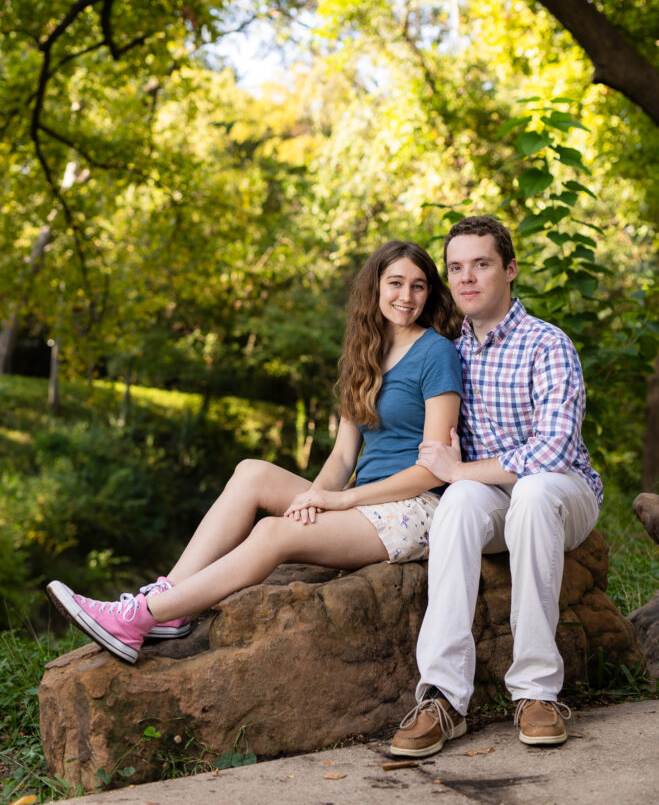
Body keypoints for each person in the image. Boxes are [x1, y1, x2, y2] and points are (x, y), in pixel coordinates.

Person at [47, 240, 463, 665]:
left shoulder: (436, 353)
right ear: (374, 287)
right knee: (251, 472)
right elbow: (342, 456)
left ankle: (138, 618)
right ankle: (169, 603)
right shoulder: (365, 353)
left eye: (418, 286)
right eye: (395, 283)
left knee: (271, 532)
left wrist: (340, 500)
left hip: (414, 509)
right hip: (364, 504)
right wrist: (312, 499)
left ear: (429, 292)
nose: (406, 297)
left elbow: (433, 471)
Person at [390, 216, 602, 756]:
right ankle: (443, 697)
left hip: (563, 492)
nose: (467, 278)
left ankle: (535, 692)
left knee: (527, 492)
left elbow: (551, 454)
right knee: (456, 504)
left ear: (509, 270)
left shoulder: (546, 344)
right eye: (456, 268)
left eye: (481, 264)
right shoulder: (448, 351)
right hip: (490, 493)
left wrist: (459, 470)